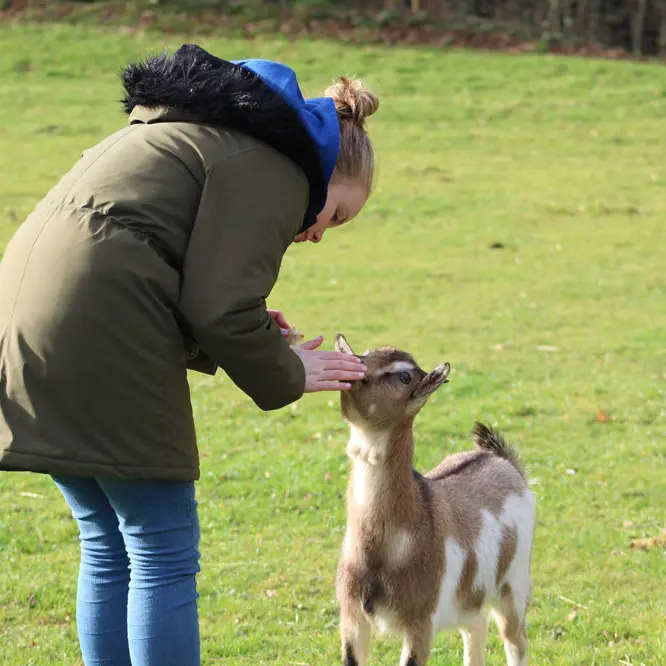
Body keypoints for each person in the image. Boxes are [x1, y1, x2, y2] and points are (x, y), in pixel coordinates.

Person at [0, 44, 379, 666]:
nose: (314, 233)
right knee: (161, 546)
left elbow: (154, 257)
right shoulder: (279, 165)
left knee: (107, 541)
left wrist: (241, 329)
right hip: (100, 317)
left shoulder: (192, 129)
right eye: (334, 216)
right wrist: (288, 368)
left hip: (25, 311)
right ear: (329, 168)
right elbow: (218, 304)